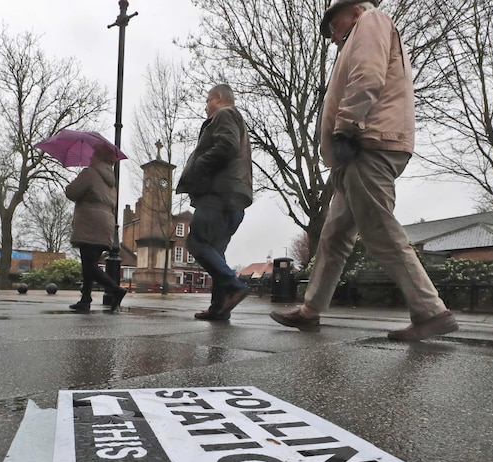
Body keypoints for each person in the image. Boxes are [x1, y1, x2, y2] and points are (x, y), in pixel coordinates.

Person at [270, 0, 458, 341]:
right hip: (356, 151)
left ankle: (432, 311)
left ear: (354, 11)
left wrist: (345, 126)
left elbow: (367, 74)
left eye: (333, 25)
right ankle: (311, 310)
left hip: (367, 145)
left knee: (378, 228)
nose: (331, 36)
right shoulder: (360, 31)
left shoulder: (370, 21)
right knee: (333, 236)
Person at [176, 83, 253, 321]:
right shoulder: (238, 121)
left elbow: (226, 146)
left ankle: (235, 286)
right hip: (235, 197)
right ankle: (219, 308)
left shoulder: (224, 114)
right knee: (216, 251)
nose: (206, 106)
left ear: (218, 98)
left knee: (197, 243)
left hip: (218, 195)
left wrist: (199, 166)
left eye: (208, 100)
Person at [65, 145, 128, 313]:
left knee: (89, 265)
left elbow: (72, 192)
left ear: (98, 157)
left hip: (90, 222)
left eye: (93, 154)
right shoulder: (112, 182)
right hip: (106, 223)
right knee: (90, 262)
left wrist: (71, 184)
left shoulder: (90, 173)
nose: (90, 157)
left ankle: (116, 290)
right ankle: (85, 299)